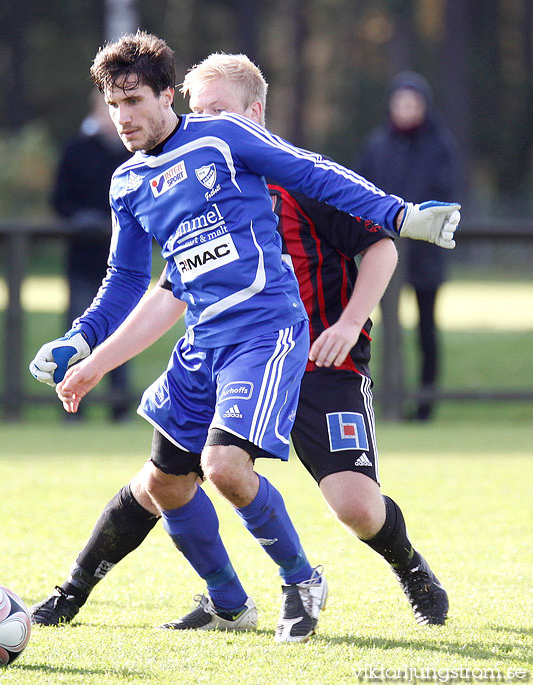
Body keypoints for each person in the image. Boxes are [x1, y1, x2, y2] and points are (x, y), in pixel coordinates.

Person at [29, 34, 458, 641]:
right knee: (163, 482)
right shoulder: (130, 182)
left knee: (311, 493)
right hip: (209, 347)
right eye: (112, 105)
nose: (121, 117)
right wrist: (83, 345)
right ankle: (224, 602)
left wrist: (399, 215)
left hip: (291, 346)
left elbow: (334, 190)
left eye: (133, 101)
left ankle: (333, 576)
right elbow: (136, 280)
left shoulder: (235, 147)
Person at [358, 72, 461, 421]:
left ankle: (425, 405)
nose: (406, 110)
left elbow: (448, 193)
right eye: (400, 103)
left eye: (412, 104)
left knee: (427, 330)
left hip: (427, 254)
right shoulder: (378, 144)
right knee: (385, 331)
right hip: (385, 249)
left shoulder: (439, 145)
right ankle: (387, 403)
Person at [51, 90, 133, 420]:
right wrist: (81, 219)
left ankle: (119, 408)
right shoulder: (76, 150)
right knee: (79, 330)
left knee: (124, 332)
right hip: (84, 258)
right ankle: (71, 407)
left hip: (126, 263)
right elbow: (60, 200)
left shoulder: (134, 155)